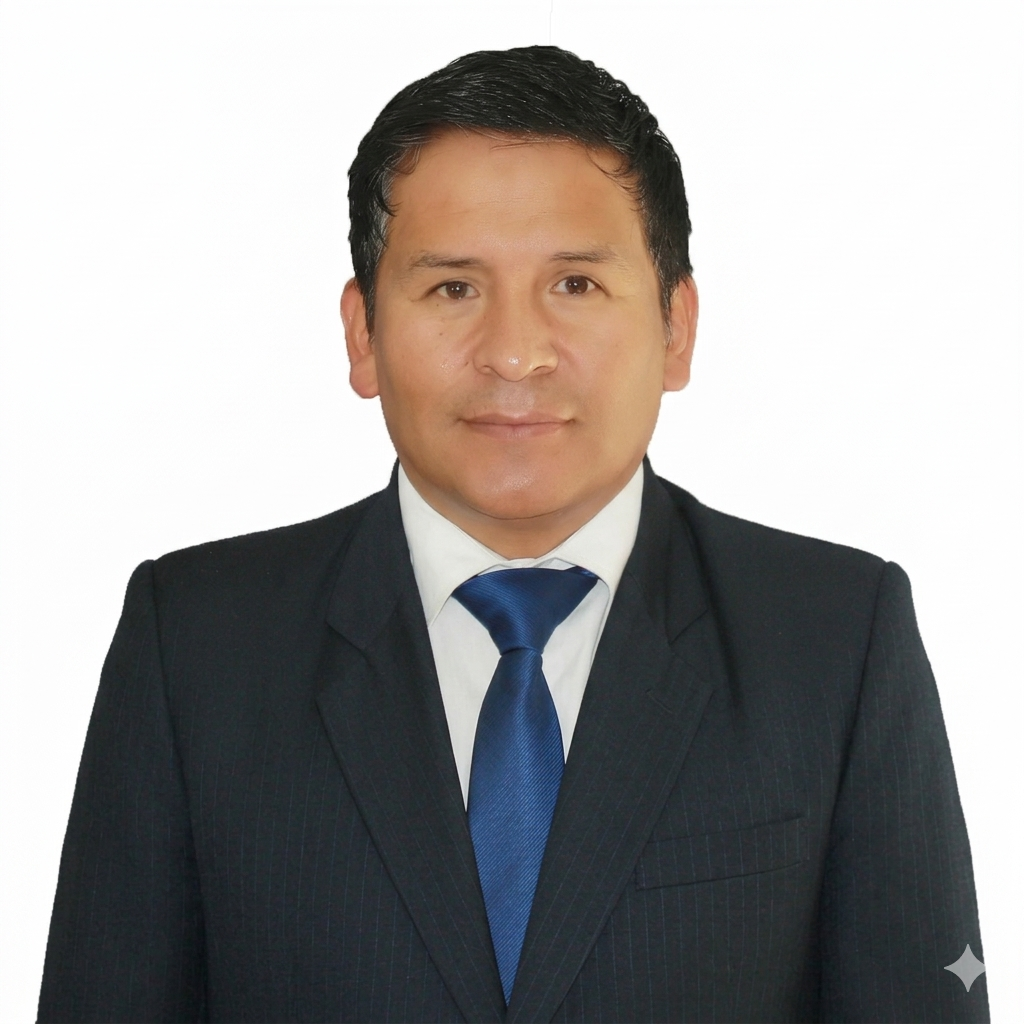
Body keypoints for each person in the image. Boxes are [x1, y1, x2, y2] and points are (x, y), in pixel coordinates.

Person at [38, 46, 986, 1024]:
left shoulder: (836, 641)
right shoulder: (195, 646)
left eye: (575, 284)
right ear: (363, 334)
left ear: (676, 327)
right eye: (454, 288)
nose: (515, 354)